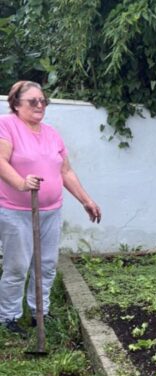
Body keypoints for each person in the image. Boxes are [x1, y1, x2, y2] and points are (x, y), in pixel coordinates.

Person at [0, 80, 101, 336]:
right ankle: (9, 317)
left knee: (46, 264)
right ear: (16, 103)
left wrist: (86, 200)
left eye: (43, 100)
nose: (39, 105)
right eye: (32, 101)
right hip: (16, 211)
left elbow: (65, 171)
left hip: (50, 210)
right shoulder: (7, 125)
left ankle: (39, 313)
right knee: (17, 266)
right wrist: (22, 183)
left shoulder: (51, 133)